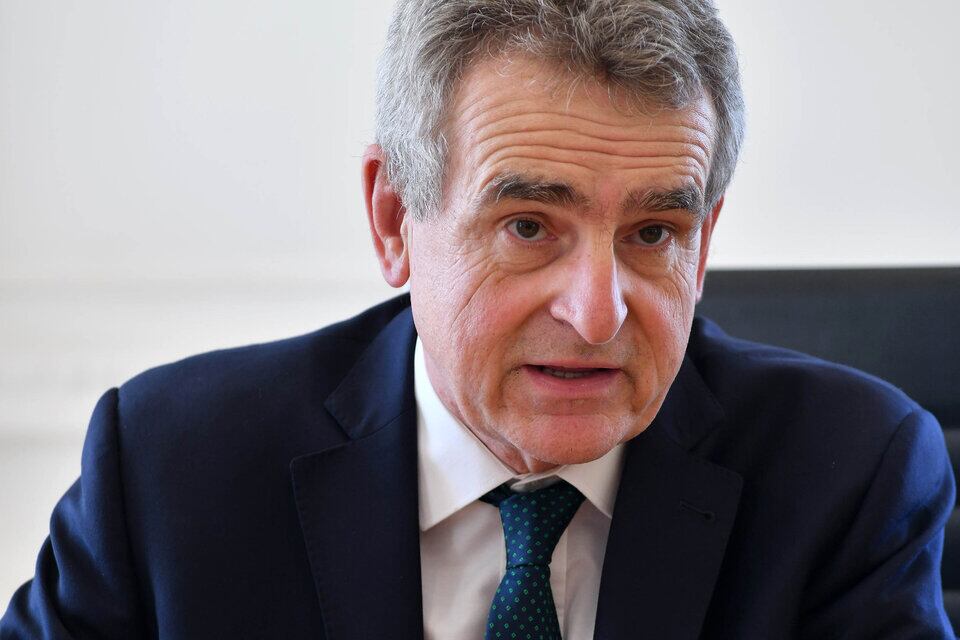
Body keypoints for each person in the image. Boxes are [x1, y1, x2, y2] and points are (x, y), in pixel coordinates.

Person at [1, 0, 954, 638]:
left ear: (702, 248)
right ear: (394, 222)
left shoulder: (852, 474)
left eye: (653, 233)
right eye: (529, 225)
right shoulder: (170, 469)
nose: (596, 314)